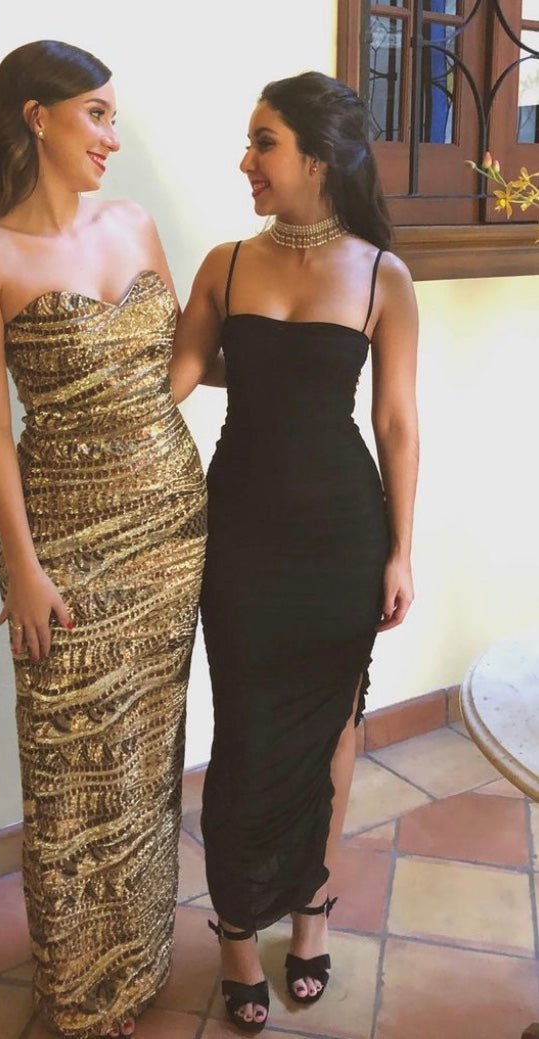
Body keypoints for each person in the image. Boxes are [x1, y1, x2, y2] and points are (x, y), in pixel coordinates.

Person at [0, 40, 206, 1039]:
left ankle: (137, 964)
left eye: (111, 116)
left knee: (144, 757)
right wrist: (22, 564)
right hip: (63, 540)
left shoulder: (133, 224)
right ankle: (82, 992)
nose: (111, 137)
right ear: (35, 117)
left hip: (170, 524)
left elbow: (178, 360)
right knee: (72, 769)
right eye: (95, 114)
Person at [170, 71, 418, 1033]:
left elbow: (395, 423)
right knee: (242, 733)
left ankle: (310, 912)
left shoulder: (382, 275)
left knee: (331, 734)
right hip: (239, 534)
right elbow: (174, 377)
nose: (246, 161)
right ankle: (237, 928)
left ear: (317, 157)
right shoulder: (224, 265)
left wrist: (400, 551)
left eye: (263, 142)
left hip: (342, 536)